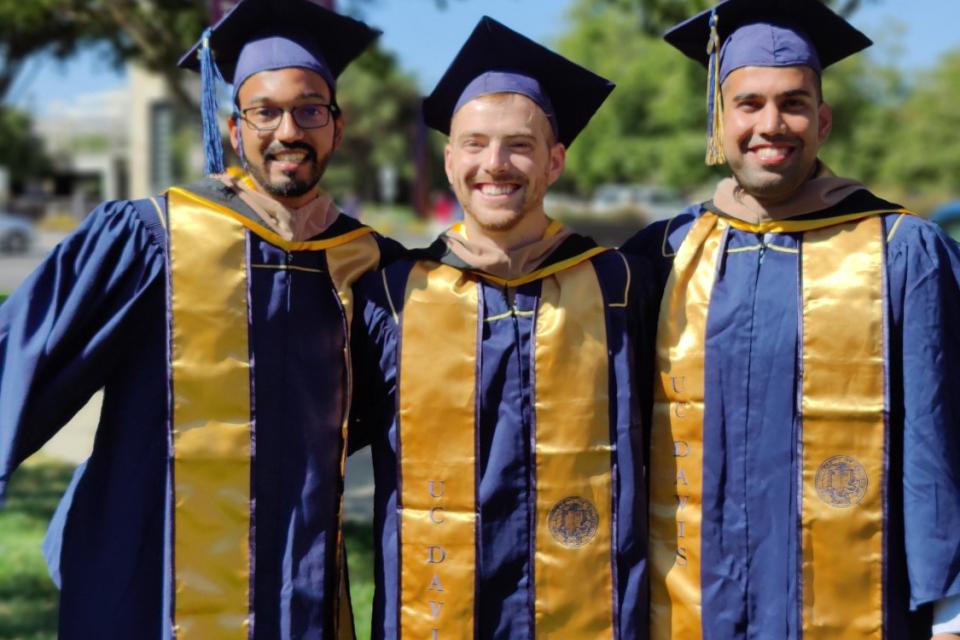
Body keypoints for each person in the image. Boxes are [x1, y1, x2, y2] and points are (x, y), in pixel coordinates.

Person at [0, 0, 401, 637]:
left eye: (310, 110)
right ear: (235, 131)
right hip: (155, 582)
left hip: (299, 588)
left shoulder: (372, 266)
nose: (288, 130)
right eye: (264, 111)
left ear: (336, 128)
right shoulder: (149, 239)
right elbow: (21, 362)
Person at [620, 1, 960, 638]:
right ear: (718, 123)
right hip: (694, 604)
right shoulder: (662, 255)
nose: (771, 124)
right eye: (748, 104)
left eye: (794, 103)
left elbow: (939, 431)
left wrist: (951, 609)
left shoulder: (900, 251)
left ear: (823, 121)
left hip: (860, 603)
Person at [349, 17, 653, 639]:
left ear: (555, 160)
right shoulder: (393, 296)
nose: (495, 163)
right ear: (449, 159)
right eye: (475, 144)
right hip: (434, 609)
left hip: (590, 608)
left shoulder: (622, 288)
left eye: (519, 144)